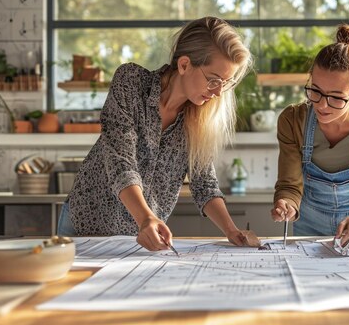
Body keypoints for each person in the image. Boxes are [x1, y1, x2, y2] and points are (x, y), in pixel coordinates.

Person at [57, 16, 253, 251]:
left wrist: (232, 230)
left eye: (227, 83)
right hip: (85, 229)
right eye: (214, 80)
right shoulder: (131, 83)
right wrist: (146, 218)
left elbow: (204, 184)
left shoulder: (198, 119)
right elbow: (121, 162)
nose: (219, 92)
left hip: (140, 241)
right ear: (184, 65)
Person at [271, 24, 349, 247]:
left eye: (336, 97)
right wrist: (286, 203)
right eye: (316, 91)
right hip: (308, 230)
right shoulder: (293, 120)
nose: (321, 105)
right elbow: (289, 186)